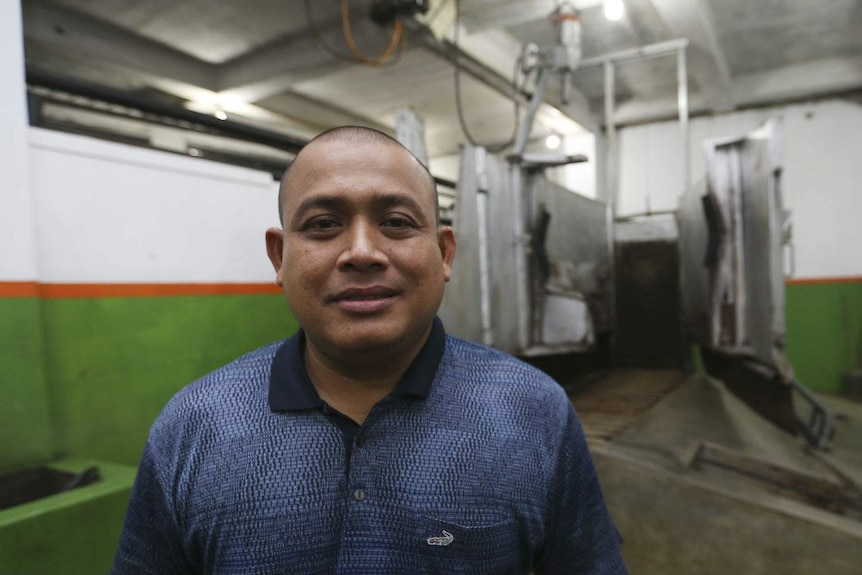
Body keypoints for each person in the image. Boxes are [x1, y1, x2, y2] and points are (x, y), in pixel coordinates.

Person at [111, 126, 627, 574]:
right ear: (280, 256)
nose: (362, 252)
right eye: (323, 225)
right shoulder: (194, 425)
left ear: (443, 252)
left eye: (397, 222)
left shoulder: (533, 410)